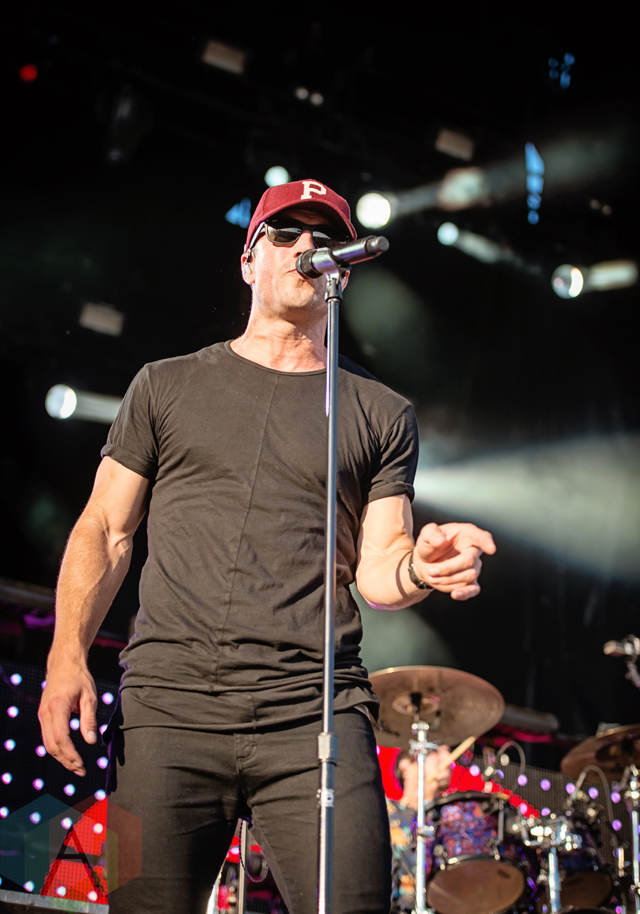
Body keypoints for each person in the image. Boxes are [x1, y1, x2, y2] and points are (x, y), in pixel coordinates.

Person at [38, 178, 496, 914]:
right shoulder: (164, 386)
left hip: (315, 715)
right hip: (166, 711)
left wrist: (422, 566)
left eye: (325, 237)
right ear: (249, 260)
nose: (307, 247)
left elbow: (381, 566)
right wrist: (67, 656)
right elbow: (105, 529)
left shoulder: (380, 412)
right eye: (285, 234)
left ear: (344, 270)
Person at [388, 748, 452, 913]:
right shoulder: (384, 812)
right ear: (406, 766)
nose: (447, 757)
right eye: (435, 750)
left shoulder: (449, 820)